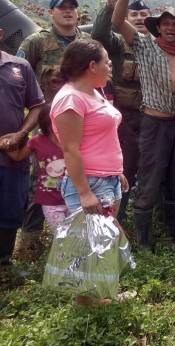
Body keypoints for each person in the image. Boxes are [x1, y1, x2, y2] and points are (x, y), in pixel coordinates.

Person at [112, 0, 175, 250]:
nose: (171, 28)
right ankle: (143, 240)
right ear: (159, 28)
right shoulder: (145, 46)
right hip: (155, 123)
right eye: (166, 24)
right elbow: (117, 23)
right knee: (150, 178)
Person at [15, 0, 92, 257]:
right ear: (51, 13)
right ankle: (29, 243)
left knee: (82, 175)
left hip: (82, 122)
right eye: (62, 8)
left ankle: (79, 236)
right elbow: (18, 78)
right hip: (48, 125)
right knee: (42, 180)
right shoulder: (36, 42)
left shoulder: (87, 43)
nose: (68, 11)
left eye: (72, 7)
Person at [91, 0, 148, 223]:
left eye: (144, 15)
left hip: (149, 116)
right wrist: (109, 8)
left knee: (148, 168)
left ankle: (145, 219)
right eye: (134, 15)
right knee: (121, 168)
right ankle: (117, 218)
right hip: (120, 118)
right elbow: (99, 35)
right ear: (126, 17)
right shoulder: (116, 44)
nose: (139, 19)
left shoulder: (155, 45)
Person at [50, 40, 125, 218]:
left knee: (107, 242)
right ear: (92, 66)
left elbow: (102, 138)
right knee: (93, 244)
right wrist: (84, 192)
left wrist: (116, 172)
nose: (110, 68)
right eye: (107, 63)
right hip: (91, 182)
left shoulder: (94, 91)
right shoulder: (70, 99)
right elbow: (70, 149)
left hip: (107, 179)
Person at [0, 28, 44, 275]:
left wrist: (20, 134)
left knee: (10, 210)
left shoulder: (20, 66)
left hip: (12, 156)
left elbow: (37, 105)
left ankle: (4, 263)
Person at [5, 105, 67, 232]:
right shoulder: (37, 141)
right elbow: (18, 156)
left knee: (77, 236)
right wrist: (7, 144)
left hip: (73, 198)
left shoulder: (73, 140)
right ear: (47, 124)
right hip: (50, 201)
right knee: (62, 236)